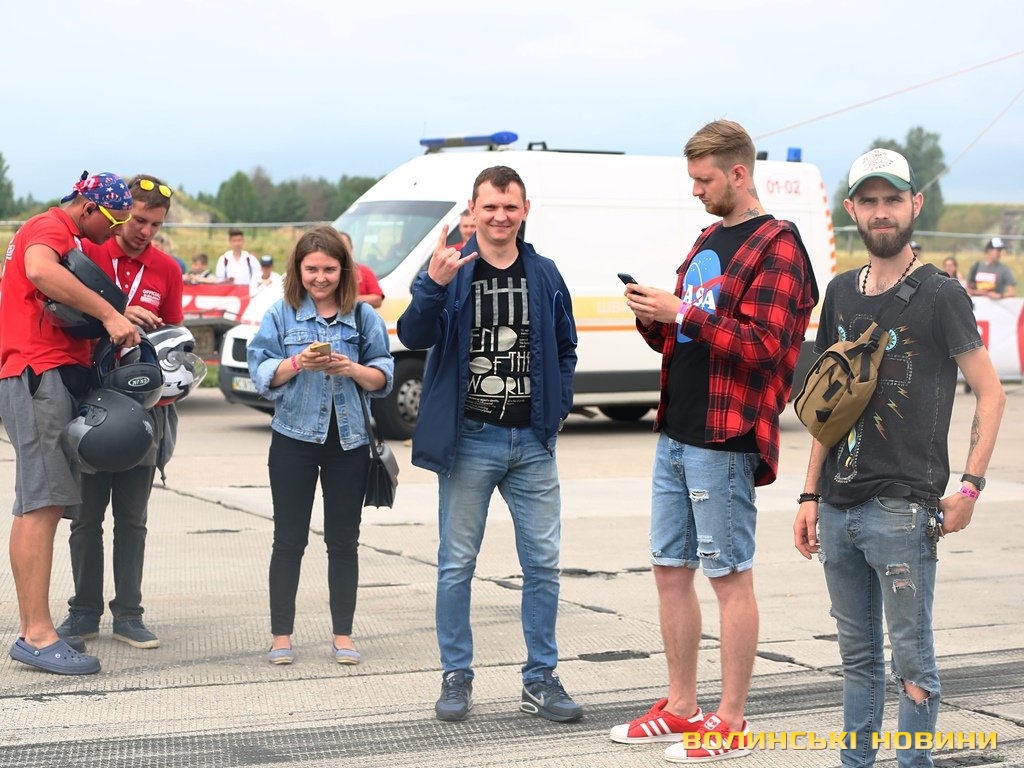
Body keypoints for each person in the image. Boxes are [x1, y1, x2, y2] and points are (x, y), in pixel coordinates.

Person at [611, 119, 818, 762]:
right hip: (677, 429)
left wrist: (684, 312)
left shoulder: (778, 246)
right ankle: (681, 707)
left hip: (724, 437)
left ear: (738, 173)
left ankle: (731, 721)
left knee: (729, 577)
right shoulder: (706, 239)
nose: (696, 190)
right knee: (669, 570)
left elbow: (766, 347)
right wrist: (656, 317)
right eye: (692, 179)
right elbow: (687, 336)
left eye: (704, 180)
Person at [793, 148, 1005, 768]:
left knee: (912, 664)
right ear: (852, 209)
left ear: (915, 204)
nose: (881, 211)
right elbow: (827, 406)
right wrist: (809, 494)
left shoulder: (941, 294)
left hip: (903, 510)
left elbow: (991, 393)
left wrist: (969, 488)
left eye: (892, 199)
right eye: (869, 201)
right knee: (857, 661)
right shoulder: (839, 293)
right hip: (838, 508)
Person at [397, 165, 581, 724]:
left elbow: (566, 347)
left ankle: (540, 679)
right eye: (490, 207)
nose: (500, 217)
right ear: (472, 211)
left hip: (533, 442)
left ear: (525, 210)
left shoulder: (544, 274)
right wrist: (431, 285)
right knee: (456, 564)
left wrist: (558, 405)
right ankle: (456, 675)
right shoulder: (451, 270)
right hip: (470, 440)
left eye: (510, 207)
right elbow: (412, 335)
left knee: (543, 565)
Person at [0, 171, 139, 675]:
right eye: (114, 221)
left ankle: (36, 630)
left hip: (39, 375)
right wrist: (109, 315)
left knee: (38, 502)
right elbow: (39, 271)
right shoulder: (50, 227)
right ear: (88, 208)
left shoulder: (64, 232)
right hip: (39, 374)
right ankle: (37, 636)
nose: (117, 231)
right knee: (41, 503)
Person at [247, 225, 393, 666]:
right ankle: (281, 636)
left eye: (329, 269)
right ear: (298, 270)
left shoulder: (364, 317)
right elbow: (261, 373)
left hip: (349, 444)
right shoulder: (281, 314)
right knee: (288, 540)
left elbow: (383, 377)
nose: (320, 278)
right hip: (293, 440)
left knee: (344, 541)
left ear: (343, 270)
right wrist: (297, 362)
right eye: (311, 269)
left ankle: (343, 635)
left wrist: (352, 369)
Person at [55, 174, 184, 650]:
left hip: (143, 410)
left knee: (133, 518)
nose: (145, 231)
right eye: (139, 220)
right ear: (120, 213)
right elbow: (63, 318)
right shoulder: (88, 253)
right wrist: (116, 314)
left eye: (156, 224)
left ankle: (129, 613)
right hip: (92, 404)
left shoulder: (166, 269)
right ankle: (83, 612)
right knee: (86, 518)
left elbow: (175, 337)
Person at [339, 231, 384, 308]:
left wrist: (349, 300)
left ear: (351, 248)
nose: (341, 251)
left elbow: (377, 300)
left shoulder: (364, 271)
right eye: (337, 247)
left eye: (344, 247)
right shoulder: (324, 274)